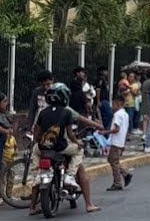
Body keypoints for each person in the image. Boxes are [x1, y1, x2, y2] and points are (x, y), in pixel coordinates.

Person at [31, 82, 102, 214]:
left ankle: (32, 207)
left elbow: (37, 133)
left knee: (37, 175)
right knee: (79, 151)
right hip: (60, 147)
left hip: (43, 148)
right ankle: (70, 176)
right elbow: (70, 134)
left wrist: (39, 143)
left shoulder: (42, 112)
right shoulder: (67, 112)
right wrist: (78, 143)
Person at [104, 91, 133, 191]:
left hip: (116, 141)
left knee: (113, 161)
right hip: (120, 141)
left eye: (113, 104)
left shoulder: (118, 115)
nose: (112, 107)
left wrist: (105, 132)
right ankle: (125, 174)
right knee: (113, 160)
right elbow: (125, 130)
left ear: (118, 103)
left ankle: (118, 182)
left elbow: (116, 129)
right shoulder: (125, 114)